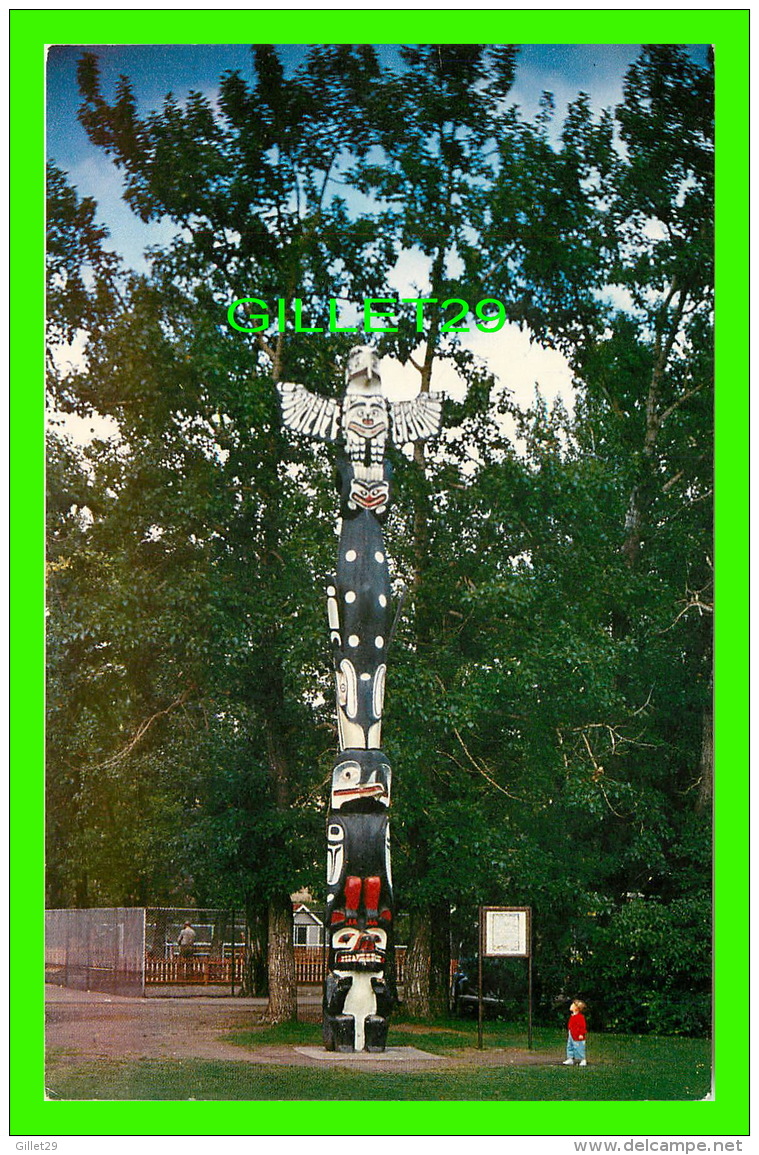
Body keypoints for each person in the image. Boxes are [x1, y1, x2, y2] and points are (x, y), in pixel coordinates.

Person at [563, 999, 588, 1066]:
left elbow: (582, 1026)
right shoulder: (573, 1016)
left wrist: (581, 1034)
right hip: (572, 1034)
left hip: (577, 1035)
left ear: (577, 1008)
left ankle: (582, 1059)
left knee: (579, 1047)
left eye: (573, 1005)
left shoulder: (580, 1017)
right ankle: (570, 1058)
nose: (571, 1006)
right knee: (570, 1046)